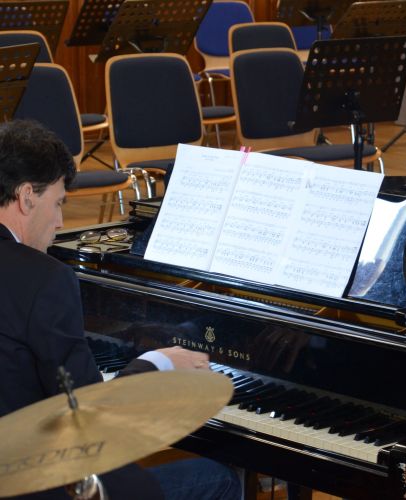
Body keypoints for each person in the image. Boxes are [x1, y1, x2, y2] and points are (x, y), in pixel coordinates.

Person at [0, 120, 240, 500]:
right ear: (27, 196)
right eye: (58, 202)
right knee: (219, 479)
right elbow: (89, 417)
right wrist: (157, 363)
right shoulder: (45, 280)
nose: (60, 222)